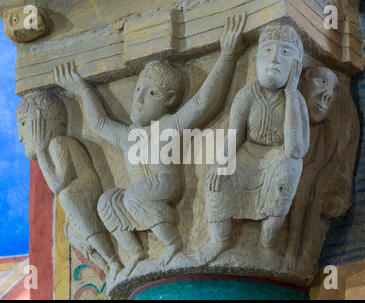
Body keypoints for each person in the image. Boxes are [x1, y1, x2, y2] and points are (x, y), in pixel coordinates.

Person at [54, 13, 247, 277]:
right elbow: (99, 124)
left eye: (152, 93)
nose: (140, 99)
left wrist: (227, 56)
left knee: (133, 196)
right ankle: (134, 253)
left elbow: (204, 102)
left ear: (169, 101)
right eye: (137, 90)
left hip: (164, 183)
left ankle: (172, 242)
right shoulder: (128, 135)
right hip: (141, 193)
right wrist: (83, 91)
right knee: (107, 202)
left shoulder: (171, 126)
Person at [200, 23, 310, 264]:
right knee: (216, 179)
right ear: (257, 56)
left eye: (284, 53)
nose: (274, 59)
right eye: (268, 50)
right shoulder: (247, 94)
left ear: (297, 65)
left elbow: (295, 149)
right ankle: (220, 240)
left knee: (289, 171)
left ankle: (267, 243)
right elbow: (234, 136)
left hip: (277, 158)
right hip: (247, 155)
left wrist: (291, 92)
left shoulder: (296, 100)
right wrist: (221, 162)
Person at [16, 91, 123, 284]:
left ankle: (114, 260)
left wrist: (40, 151)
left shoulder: (58, 143)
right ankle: (107, 267)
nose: (19, 136)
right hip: (79, 192)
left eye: (23, 124)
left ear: (41, 122)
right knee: (71, 231)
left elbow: (59, 184)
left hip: (86, 188)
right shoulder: (52, 149)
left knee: (66, 197)